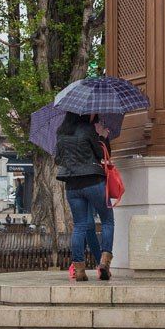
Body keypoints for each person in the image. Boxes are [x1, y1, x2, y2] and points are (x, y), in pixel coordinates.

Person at [54, 111, 117, 281]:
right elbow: (100, 155)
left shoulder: (61, 133)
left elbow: (58, 160)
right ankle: (104, 262)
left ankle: (80, 270)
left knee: (80, 226)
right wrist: (102, 137)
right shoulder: (87, 129)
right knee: (107, 221)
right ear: (82, 115)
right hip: (93, 182)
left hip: (72, 186)